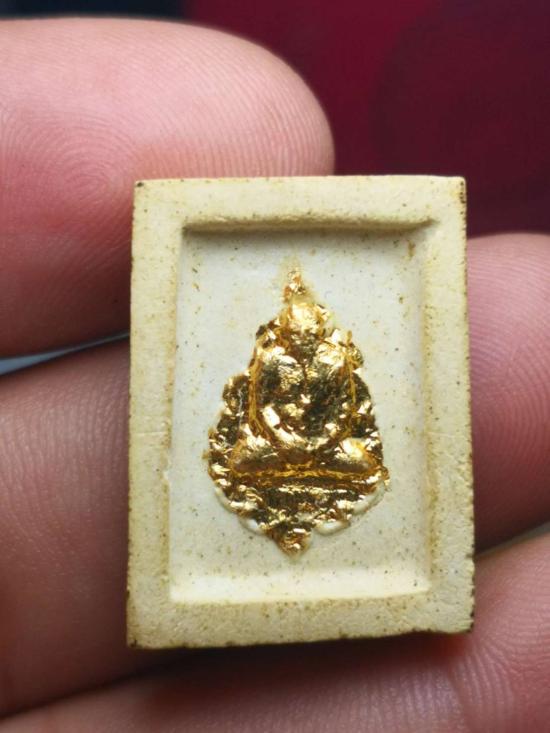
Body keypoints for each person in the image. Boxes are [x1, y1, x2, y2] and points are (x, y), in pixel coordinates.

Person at [0, 17, 549, 732]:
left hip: (326, 457)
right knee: (255, 454)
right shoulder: (273, 360)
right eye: (294, 342)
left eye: (310, 341)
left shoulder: (334, 360)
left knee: (357, 460)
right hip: (268, 455)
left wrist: (317, 429)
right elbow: (257, 411)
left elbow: (348, 413)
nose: (302, 351)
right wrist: (282, 429)